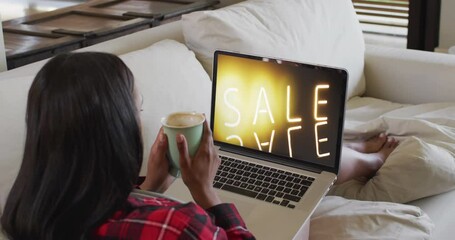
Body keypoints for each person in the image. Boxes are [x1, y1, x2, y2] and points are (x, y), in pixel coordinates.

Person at [0, 52, 255, 240]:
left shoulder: (24, 218)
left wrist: (148, 188)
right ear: (117, 129)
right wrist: (206, 192)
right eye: (137, 109)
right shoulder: (178, 226)